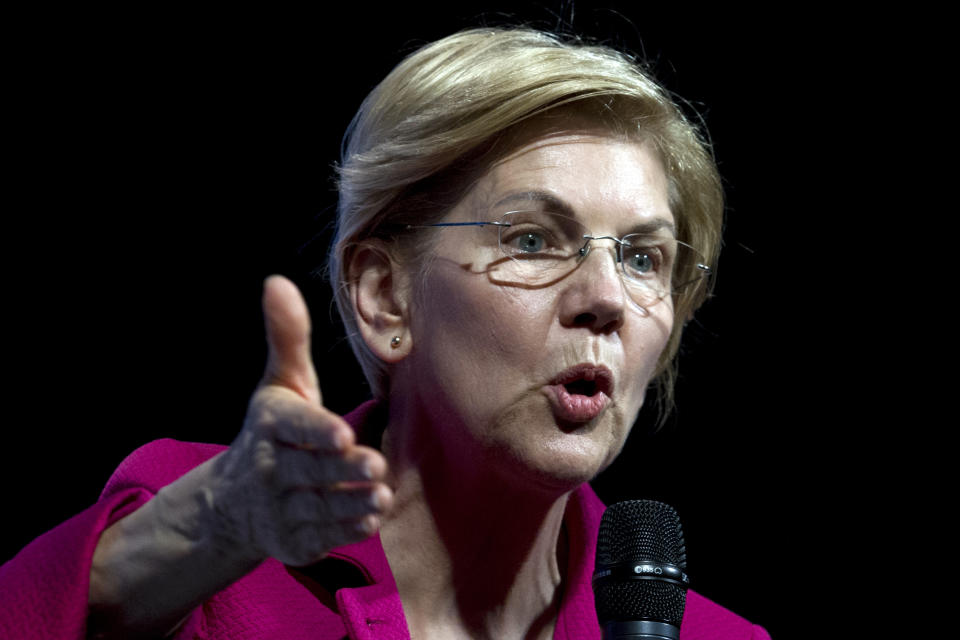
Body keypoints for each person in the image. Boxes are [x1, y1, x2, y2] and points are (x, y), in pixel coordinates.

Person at [0, 27, 769, 639]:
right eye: (532, 240)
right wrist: (217, 525)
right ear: (384, 296)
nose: (605, 298)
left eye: (642, 258)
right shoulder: (209, 558)